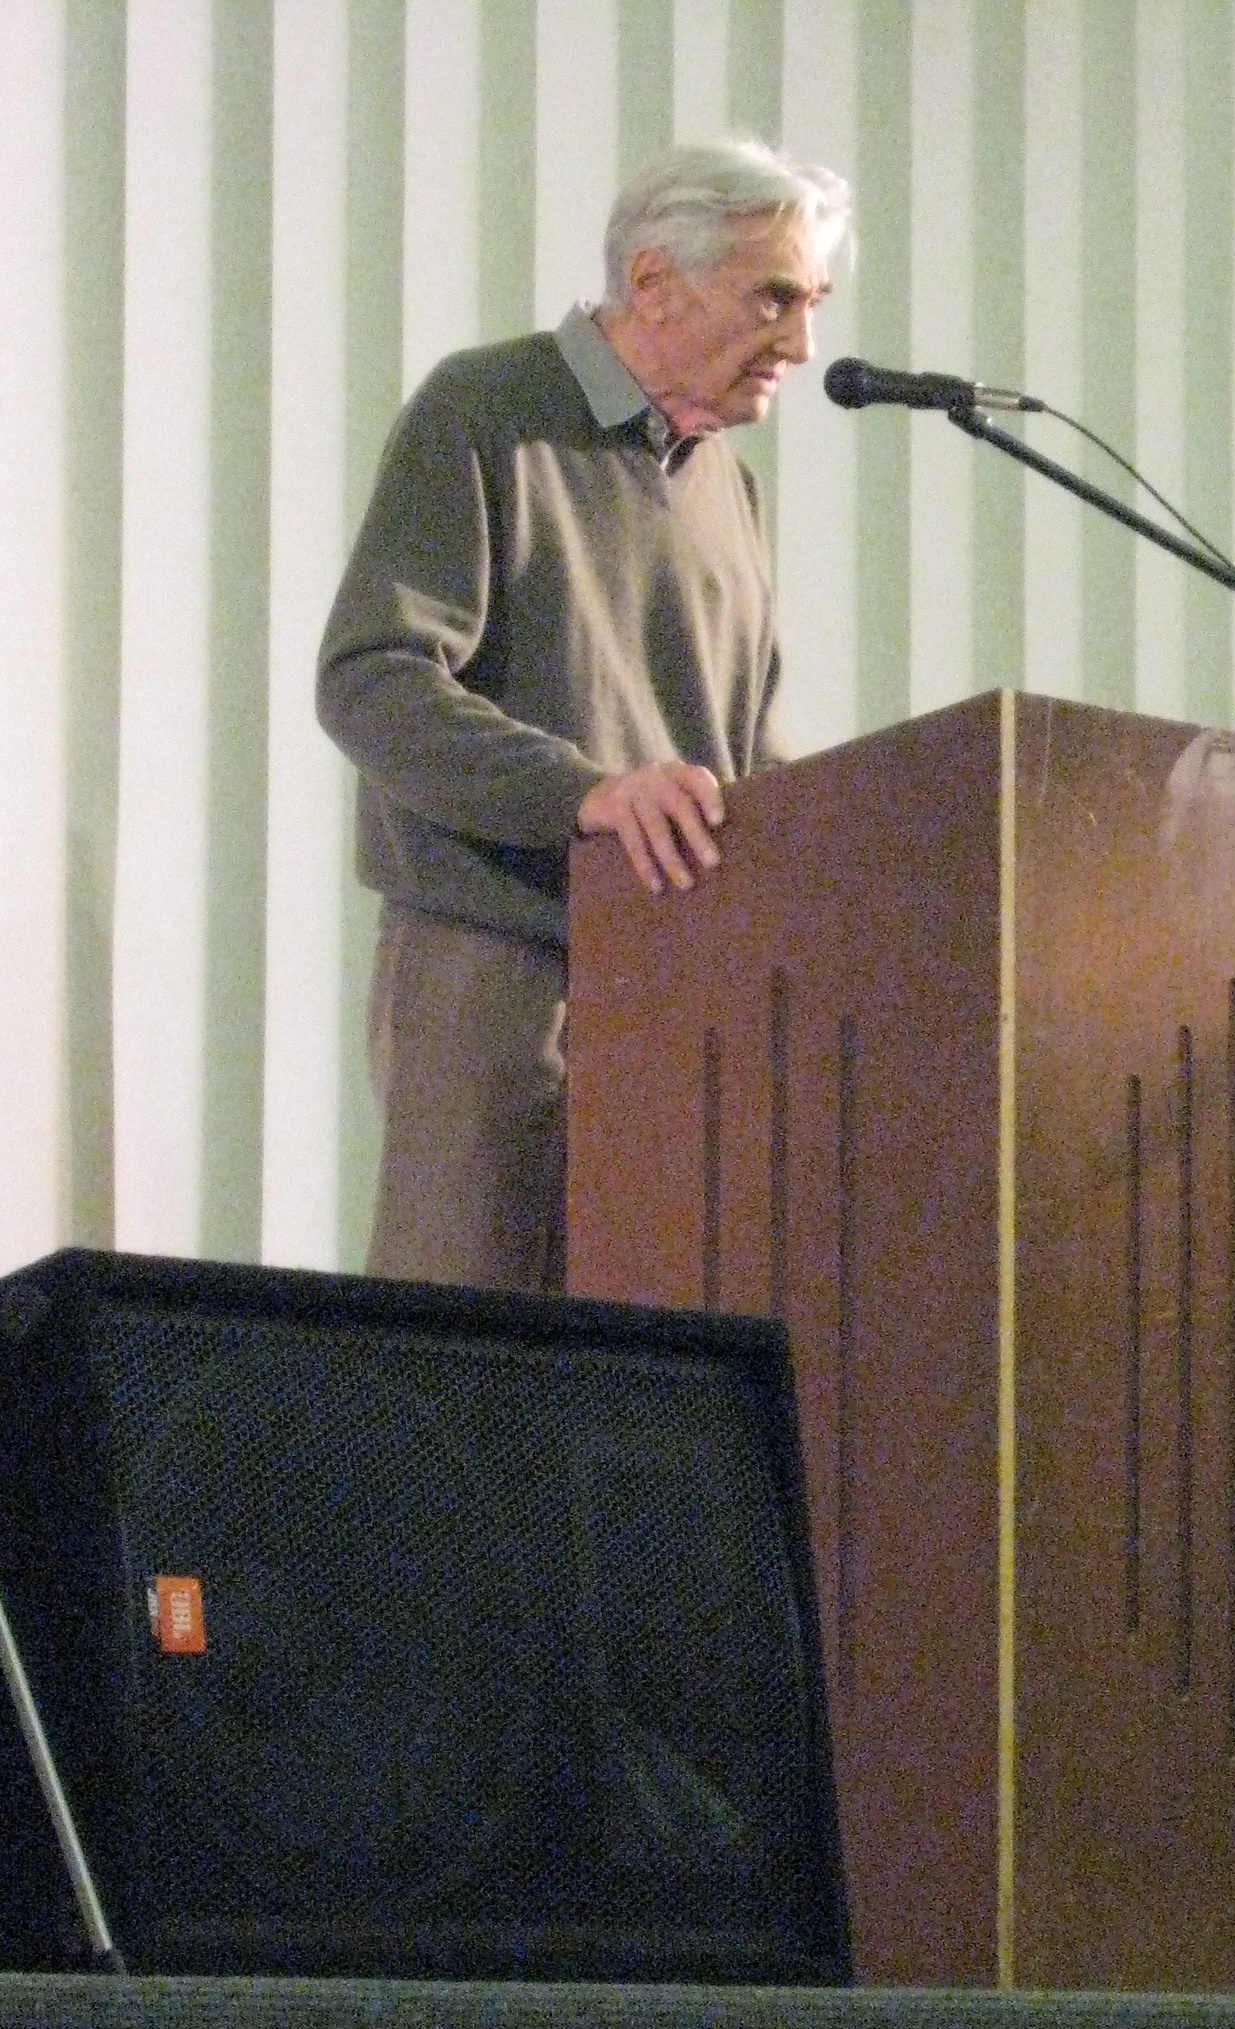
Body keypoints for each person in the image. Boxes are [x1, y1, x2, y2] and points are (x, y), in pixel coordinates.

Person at [316, 137, 849, 1292]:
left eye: (813, 304)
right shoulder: (486, 410)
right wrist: (588, 794)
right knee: (470, 1350)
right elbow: (372, 678)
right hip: (498, 969)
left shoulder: (728, 486)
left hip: (680, 982)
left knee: (645, 1351)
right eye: (774, 298)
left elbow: (740, 746)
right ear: (654, 282)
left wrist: (848, 848)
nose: (803, 345)